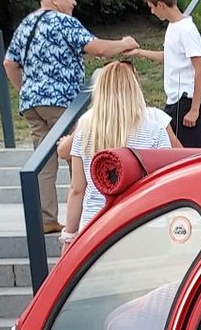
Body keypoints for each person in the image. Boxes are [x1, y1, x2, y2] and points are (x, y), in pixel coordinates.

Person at [5, 0, 137, 234]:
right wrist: (124, 44)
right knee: (79, 152)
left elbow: (9, 63)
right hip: (62, 103)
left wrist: (28, 91)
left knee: (44, 161)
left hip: (33, 105)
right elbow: (97, 49)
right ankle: (94, 212)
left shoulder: (26, 24)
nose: (74, 2)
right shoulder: (64, 22)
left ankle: (46, 218)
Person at [64, 61, 178, 237]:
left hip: (95, 225)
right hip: (144, 223)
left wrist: (69, 236)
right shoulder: (155, 131)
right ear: (134, 90)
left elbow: (77, 190)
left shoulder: (84, 133)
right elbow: (166, 187)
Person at [135, 0, 201, 148]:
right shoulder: (173, 27)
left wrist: (194, 109)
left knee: (188, 153)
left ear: (160, 5)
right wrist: (139, 52)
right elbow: (169, 57)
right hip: (175, 101)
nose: (152, 12)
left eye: (152, 7)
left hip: (187, 101)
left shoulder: (186, 30)